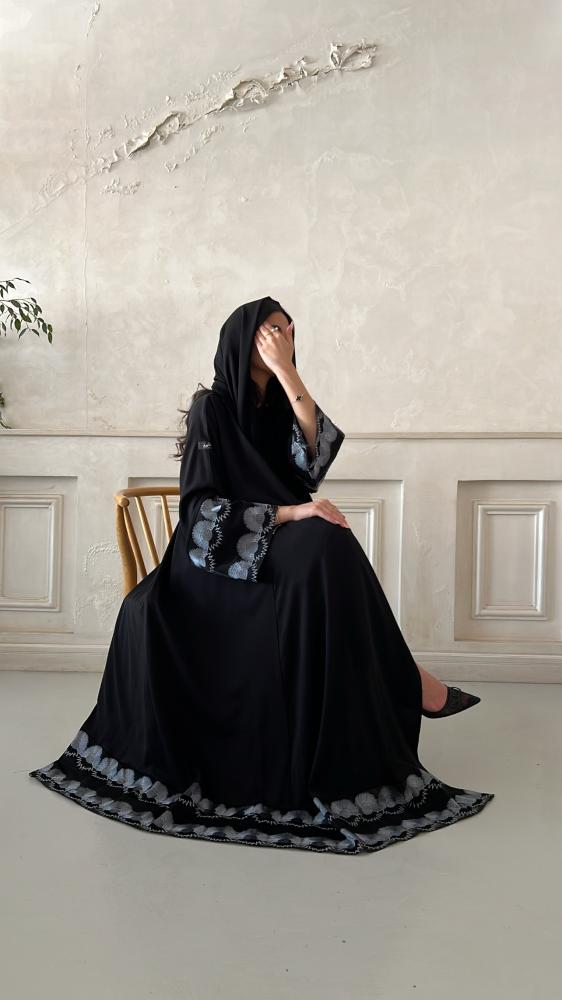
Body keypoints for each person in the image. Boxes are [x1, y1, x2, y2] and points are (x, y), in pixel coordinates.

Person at [28, 295, 494, 854]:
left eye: (288, 330)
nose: (282, 335)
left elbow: (313, 463)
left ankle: (398, 681)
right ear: (242, 339)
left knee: (330, 543)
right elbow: (201, 511)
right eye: (270, 329)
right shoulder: (211, 408)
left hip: (272, 544)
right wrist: (293, 513)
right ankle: (408, 678)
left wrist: (287, 372)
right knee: (321, 538)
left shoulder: (278, 402)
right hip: (211, 559)